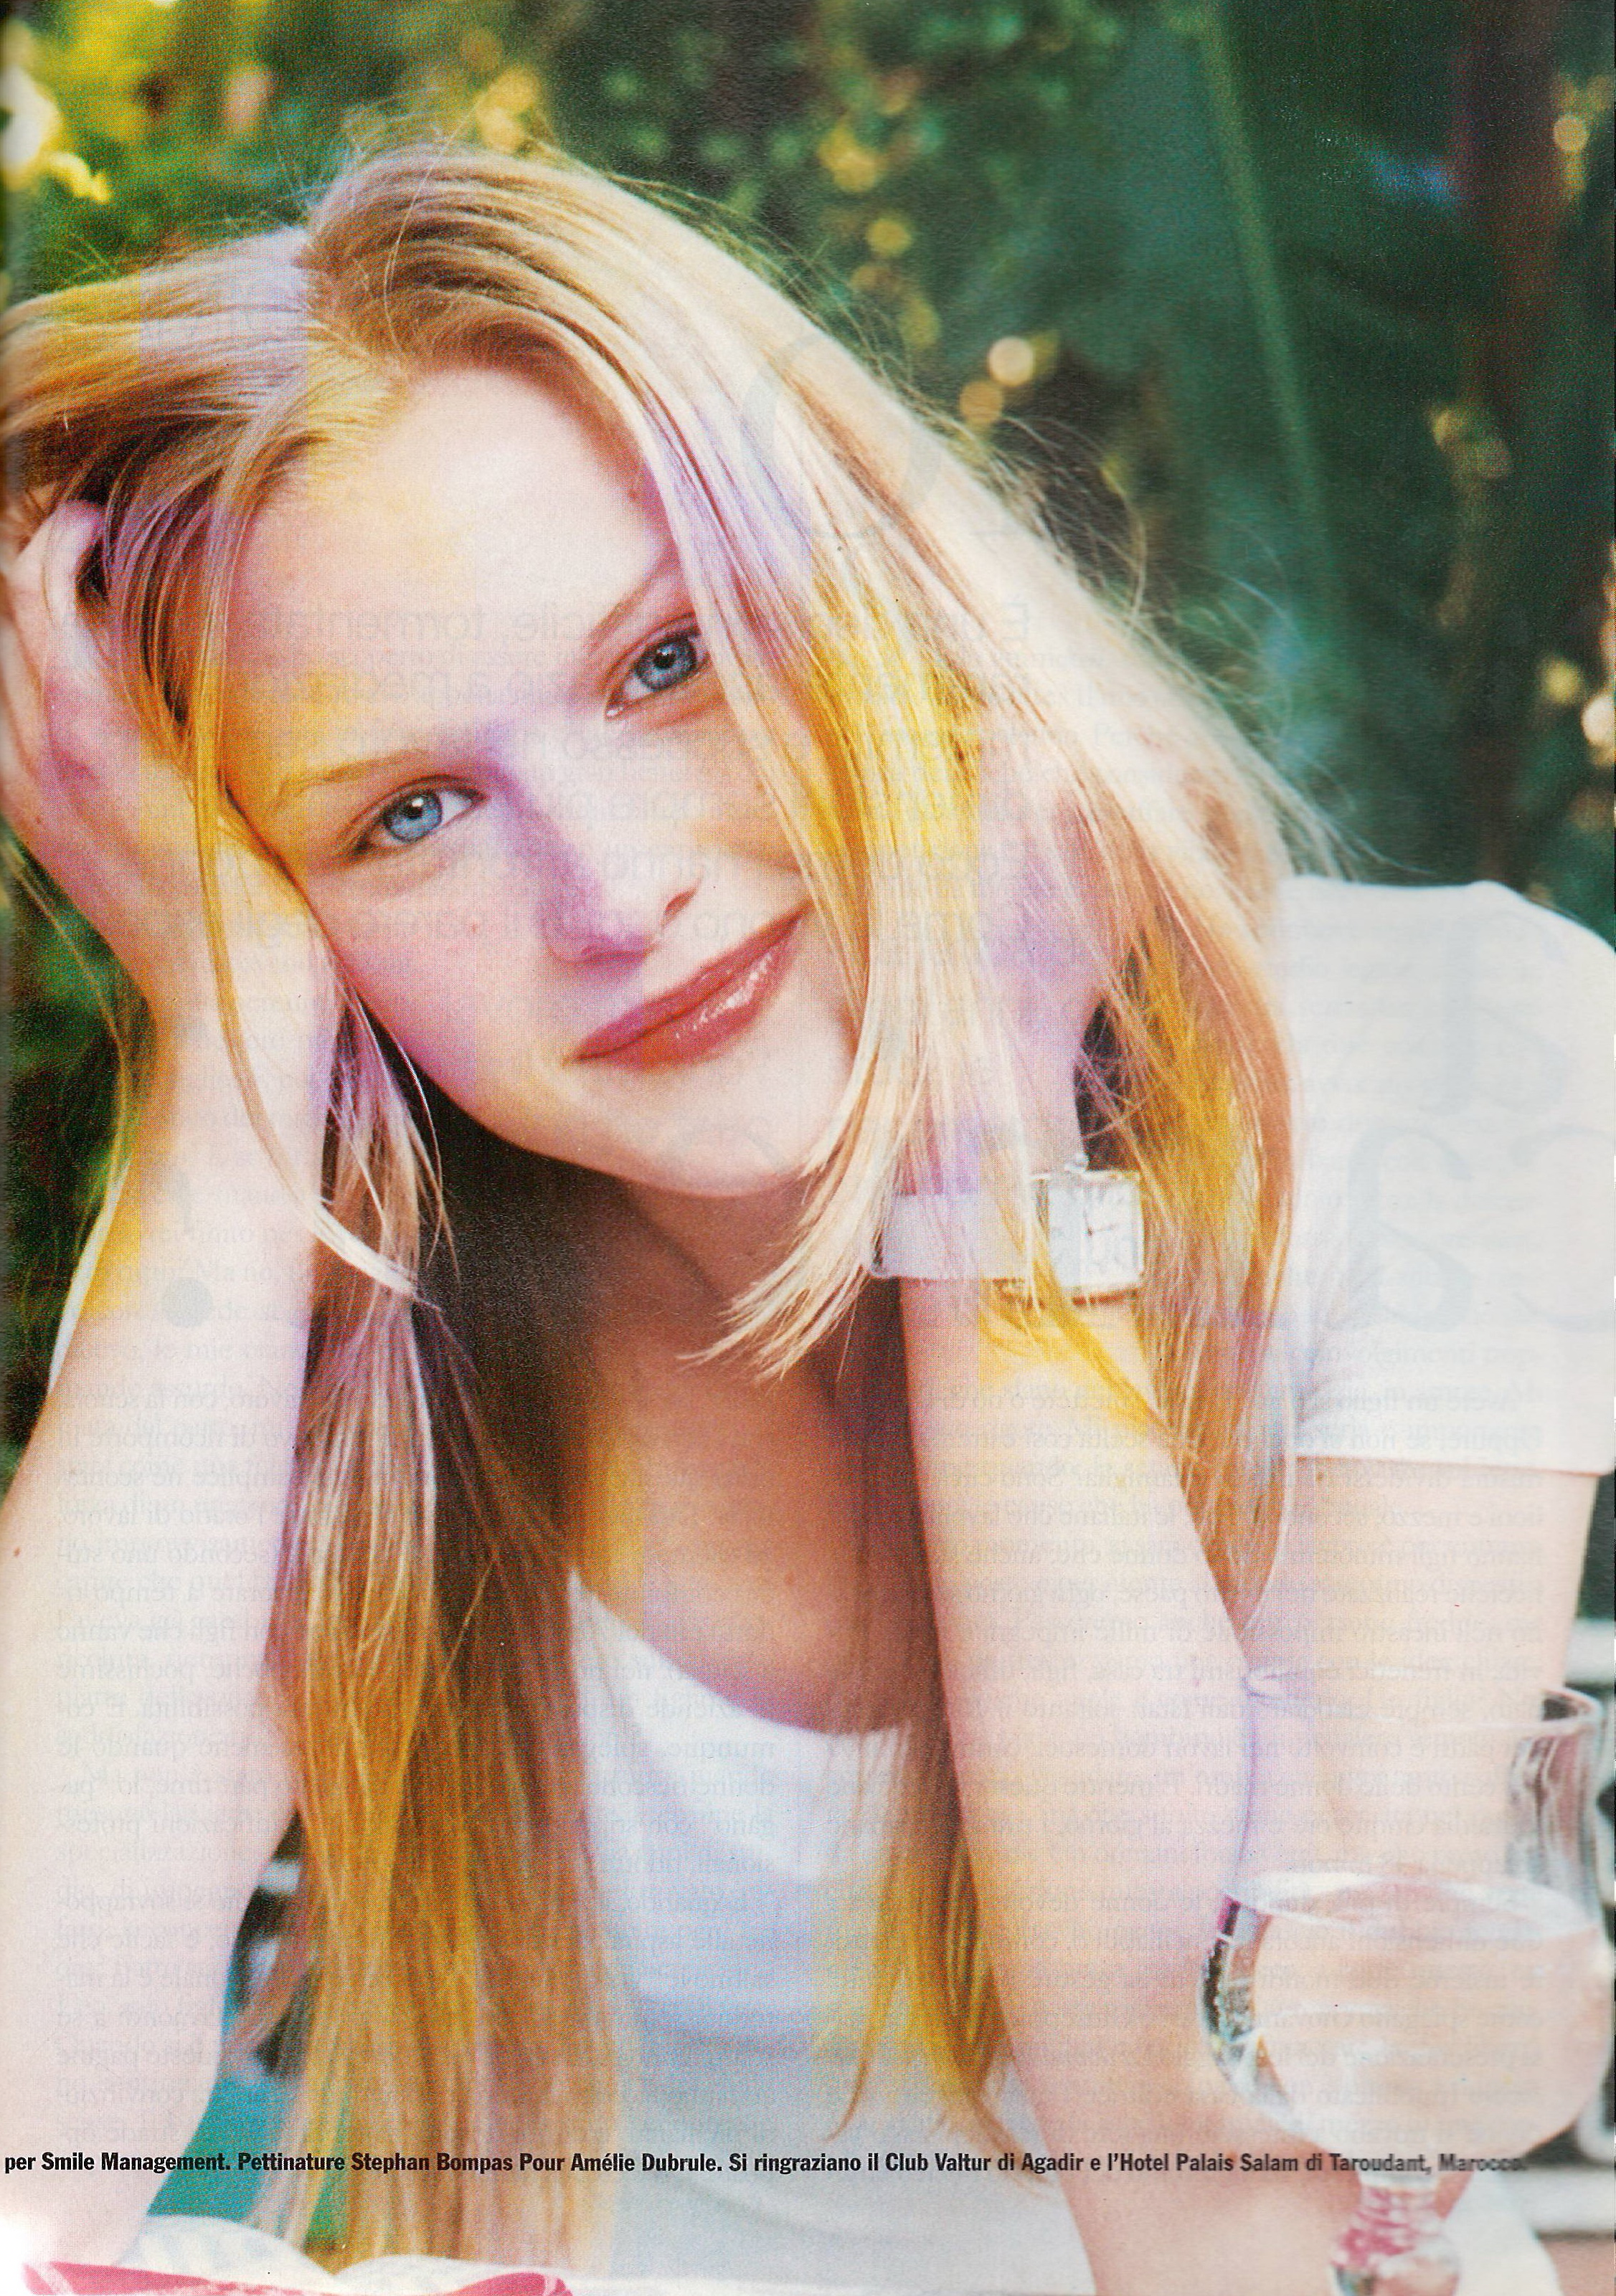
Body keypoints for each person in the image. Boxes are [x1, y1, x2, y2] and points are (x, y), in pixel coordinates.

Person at [0, 142, 1609, 2296]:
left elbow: (1232, 2229)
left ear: (878, 589)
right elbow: (23, 2156)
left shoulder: (1451, 1062)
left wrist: (986, 1171)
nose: (616, 893)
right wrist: (219, 1051)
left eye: (667, 663)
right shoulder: (289, 1254)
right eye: (407, 814)